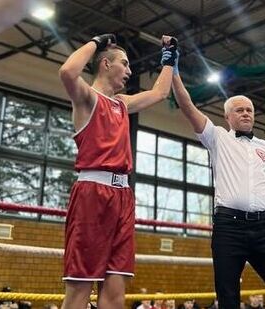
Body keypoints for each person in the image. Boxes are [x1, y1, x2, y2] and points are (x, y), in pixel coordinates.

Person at [171, 59, 265, 308]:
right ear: (227, 116)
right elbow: (187, 106)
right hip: (228, 227)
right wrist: (175, 72)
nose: (245, 113)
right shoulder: (217, 137)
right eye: (239, 110)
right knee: (228, 296)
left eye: (249, 110)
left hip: (264, 228)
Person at [58, 33, 177, 309]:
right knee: (80, 287)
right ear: (106, 65)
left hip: (123, 196)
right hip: (92, 194)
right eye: (125, 63)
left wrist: (169, 58)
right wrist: (96, 42)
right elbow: (67, 71)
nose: (130, 70)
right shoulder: (87, 98)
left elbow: (160, 93)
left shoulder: (122, 103)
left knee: (115, 290)